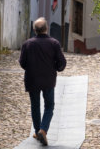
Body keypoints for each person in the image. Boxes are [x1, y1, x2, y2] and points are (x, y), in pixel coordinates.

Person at [19, 17, 66, 146]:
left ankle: (37, 130)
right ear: (47, 28)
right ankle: (43, 130)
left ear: (34, 30)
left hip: (32, 79)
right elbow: (62, 63)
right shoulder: (54, 43)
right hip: (48, 80)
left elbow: (22, 63)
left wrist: (31, 68)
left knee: (35, 106)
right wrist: (55, 68)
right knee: (49, 105)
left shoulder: (27, 44)